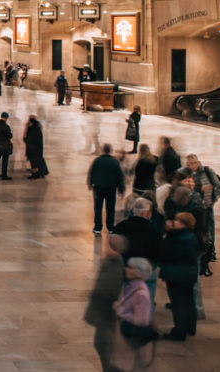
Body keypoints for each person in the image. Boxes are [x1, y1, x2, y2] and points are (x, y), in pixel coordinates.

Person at [84, 234, 127, 372]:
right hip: (104, 315)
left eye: (106, 245)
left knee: (104, 346)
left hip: (106, 315)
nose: (104, 247)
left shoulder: (114, 266)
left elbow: (109, 293)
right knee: (100, 344)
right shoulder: (109, 262)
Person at [160, 212, 199, 341]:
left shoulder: (179, 237)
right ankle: (189, 327)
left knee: (179, 303)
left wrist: (169, 234)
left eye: (177, 221)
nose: (174, 222)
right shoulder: (190, 236)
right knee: (188, 301)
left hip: (177, 273)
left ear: (183, 224)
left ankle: (179, 331)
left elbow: (169, 252)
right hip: (188, 273)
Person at [186, 153, 220, 257]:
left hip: (207, 206)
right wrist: (200, 189)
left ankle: (211, 251)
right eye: (190, 164)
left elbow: (217, 185)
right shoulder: (186, 174)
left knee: (210, 228)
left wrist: (214, 200)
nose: (193, 165)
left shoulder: (207, 171)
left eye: (195, 163)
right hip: (195, 207)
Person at [87, 143, 126, 235]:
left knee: (98, 208)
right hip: (111, 188)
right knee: (110, 208)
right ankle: (110, 227)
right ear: (110, 151)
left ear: (103, 150)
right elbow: (119, 176)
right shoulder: (115, 162)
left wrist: (90, 183)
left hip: (98, 187)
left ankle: (97, 227)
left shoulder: (97, 160)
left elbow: (92, 172)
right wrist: (121, 188)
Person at [23, 115, 48, 179]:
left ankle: (35, 174)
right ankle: (39, 173)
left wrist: (26, 134)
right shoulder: (37, 128)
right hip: (36, 149)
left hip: (33, 149)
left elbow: (27, 139)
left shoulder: (32, 129)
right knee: (37, 162)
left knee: (34, 163)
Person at [0, 112, 13, 180]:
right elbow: (10, 135)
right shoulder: (6, 126)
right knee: (5, 161)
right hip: (5, 145)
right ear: (6, 118)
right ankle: (4, 175)